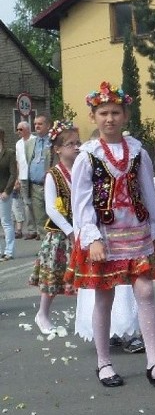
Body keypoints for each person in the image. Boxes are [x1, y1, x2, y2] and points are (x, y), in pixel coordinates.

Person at [66, 81, 155, 390]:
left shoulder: (137, 152)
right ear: (93, 116)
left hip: (136, 233)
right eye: (103, 112)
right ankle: (104, 362)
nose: (110, 118)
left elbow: (147, 193)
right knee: (104, 296)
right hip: (105, 234)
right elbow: (81, 202)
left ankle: (154, 361)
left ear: (126, 115)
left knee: (145, 292)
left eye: (116, 112)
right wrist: (92, 238)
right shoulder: (87, 156)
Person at [30, 121, 79, 335]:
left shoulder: (81, 170)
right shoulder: (53, 175)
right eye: (70, 144)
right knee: (53, 276)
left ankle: (88, 317)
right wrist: (69, 230)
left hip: (80, 230)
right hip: (60, 234)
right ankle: (42, 313)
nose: (76, 147)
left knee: (83, 277)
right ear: (58, 149)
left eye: (78, 143)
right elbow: (51, 209)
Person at [26, 113, 53, 237]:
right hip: (35, 186)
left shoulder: (53, 142)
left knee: (53, 216)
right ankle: (45, 249)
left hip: (50, 185)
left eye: (40, 124)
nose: (37, 126)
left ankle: (57, 248)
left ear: (48, 126)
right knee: (40, 219)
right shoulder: (30, 143)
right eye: (35, 124)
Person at [14, 121, 38, 239]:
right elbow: (18, 162)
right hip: (23, 177)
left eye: (20, 129)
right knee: (27, 204)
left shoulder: (35, 140)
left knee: (38, 203)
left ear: (27, 129)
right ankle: (31, 230)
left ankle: (40, 229)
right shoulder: (18, 144)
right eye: (17, 129)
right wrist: (17, 178)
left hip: (34, 176)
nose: (18, 131)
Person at [0, 128, 18, 260]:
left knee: (6, 222)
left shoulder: (9, 153)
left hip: (4, 192)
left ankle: (9, 251)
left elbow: (13, 173)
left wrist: (7, 191)